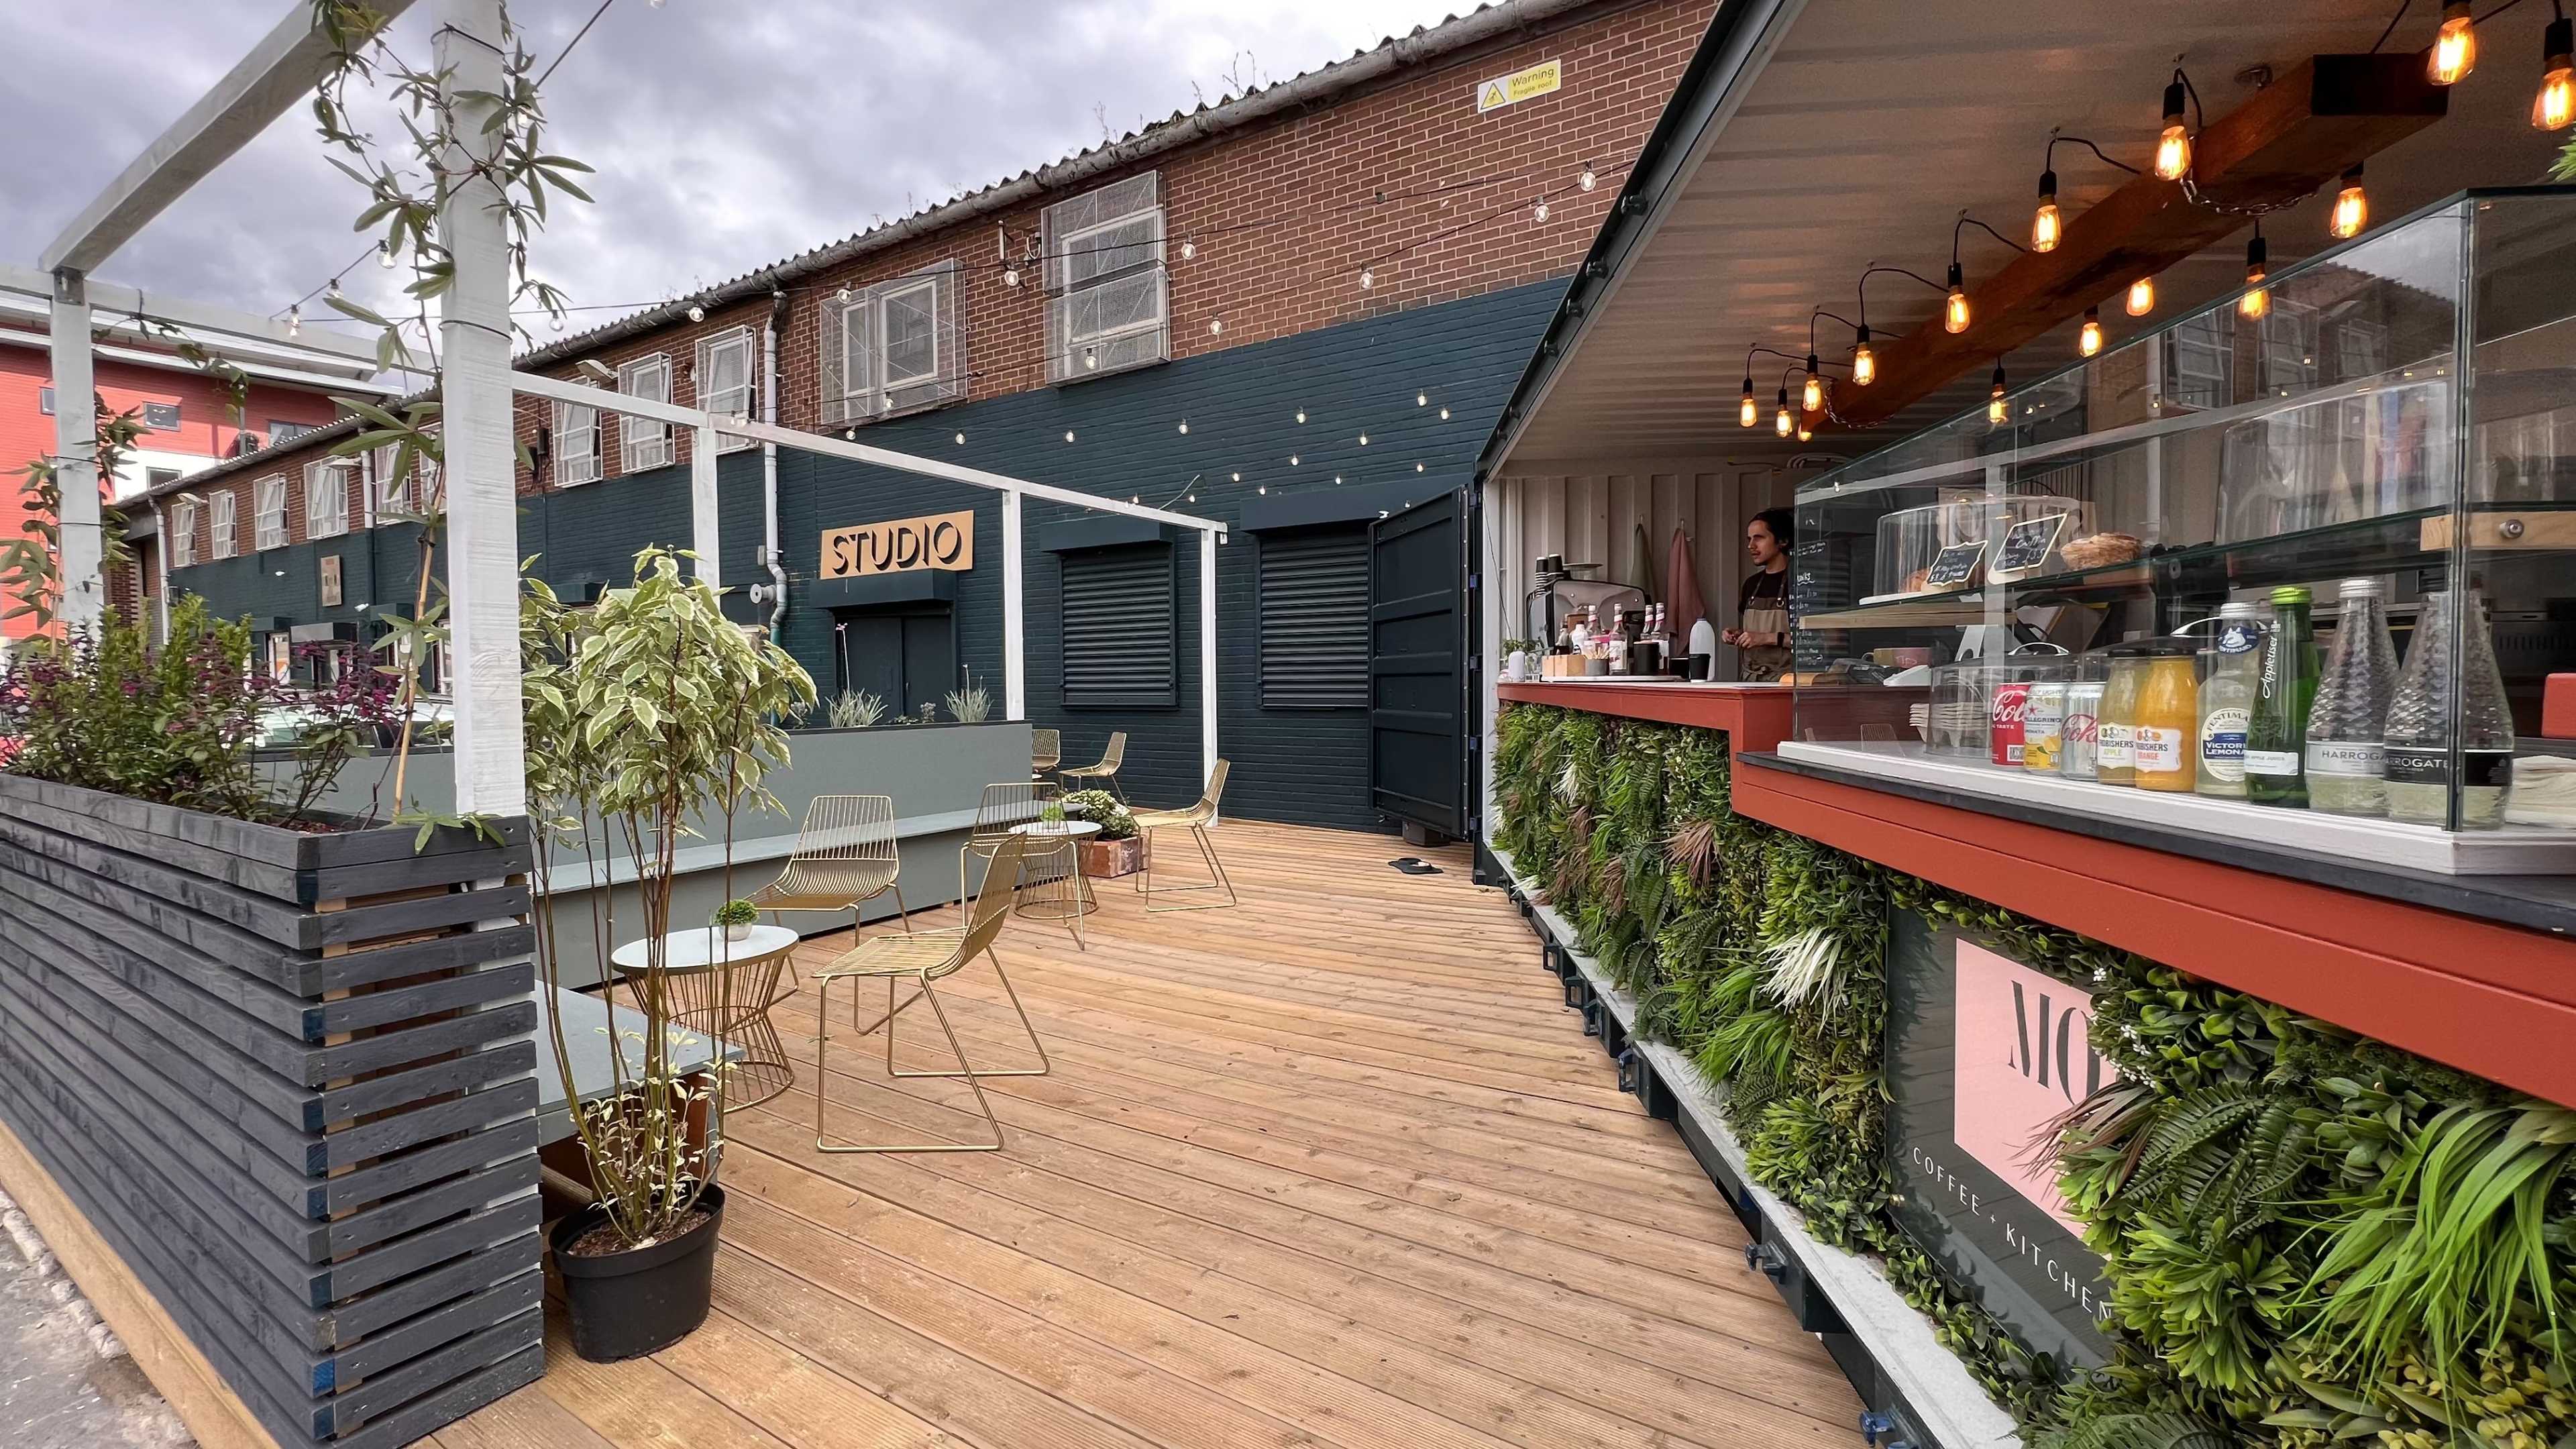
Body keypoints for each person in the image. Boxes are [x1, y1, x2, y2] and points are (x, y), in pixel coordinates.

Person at [1725, 507, 1793, 681]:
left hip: (1785, 683)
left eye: (1759, 538)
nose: (1751, 546)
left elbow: (1821, 643)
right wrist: (1739, 635)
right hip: (1750, 680)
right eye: (1749, 539)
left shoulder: (1800, 583)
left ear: (1783, 541)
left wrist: (1766, 638)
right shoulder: (1751, 585)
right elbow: (1755, 635)